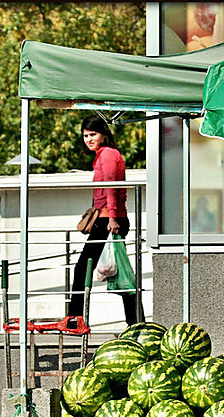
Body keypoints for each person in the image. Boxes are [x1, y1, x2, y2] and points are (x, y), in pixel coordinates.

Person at [67, 115, 138, 326]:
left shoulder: (107, 154)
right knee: (121, 272)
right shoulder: (103, 154)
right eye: (85, 136)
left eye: (93, 134)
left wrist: (113, 218)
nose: (88, 139)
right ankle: (133, 321)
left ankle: (74, 318)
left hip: (109, 220)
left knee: (84, 269)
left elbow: (111, 186)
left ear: (104, 135)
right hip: (108, 218)